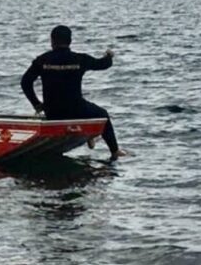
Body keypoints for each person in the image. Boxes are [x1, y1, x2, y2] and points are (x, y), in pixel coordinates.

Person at [21, 25, 125, 162]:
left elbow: (25, 82)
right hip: (77, 109)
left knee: (86, 110)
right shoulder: (80, 59)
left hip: (53, 112)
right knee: (102, 115)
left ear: (52, 41)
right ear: (70, 41)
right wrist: (109, 56)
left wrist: (37, 104)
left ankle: (91, 136)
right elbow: (103, 64)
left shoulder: (42, 60)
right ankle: (115, 151)